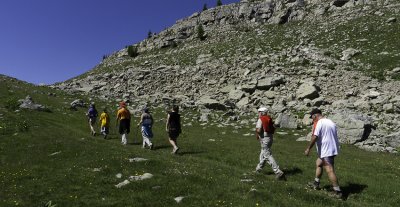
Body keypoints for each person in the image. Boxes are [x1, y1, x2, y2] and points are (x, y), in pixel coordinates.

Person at [304, 108, 342, 199]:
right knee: (318, 163)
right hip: (332, 149)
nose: (313, 119)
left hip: (327, 151)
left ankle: (337, 191)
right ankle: (316, 183)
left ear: (315, 115)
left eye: (312, 117)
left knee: (329, 170)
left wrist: (308, 148)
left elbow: (315, 136)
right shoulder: (330, 122)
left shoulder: (320, 123)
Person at [255, 106, 285, 180]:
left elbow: (259, 130)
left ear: (261, 113)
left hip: (264, 138)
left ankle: (278, 172)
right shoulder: (269, 118)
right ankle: (258, 170)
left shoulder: (260, 119)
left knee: (267, 155)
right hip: (270, 138)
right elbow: (273, 127)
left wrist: (257, 131)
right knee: (263, 154)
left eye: (259, 112)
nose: (258, 114)